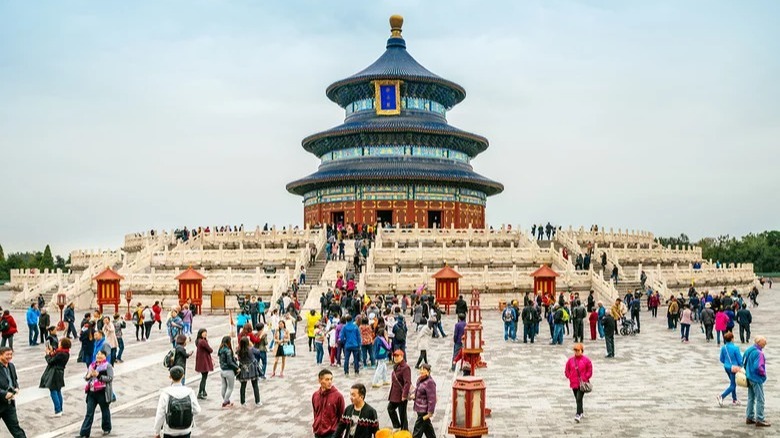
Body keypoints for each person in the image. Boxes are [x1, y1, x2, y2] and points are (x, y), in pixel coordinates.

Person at [153, 365, 202, 438]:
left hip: (169, 430)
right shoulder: (189, 392)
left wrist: (157, 432)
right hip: (186, 429)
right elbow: (197, 410)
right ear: (183, 376)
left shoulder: (165, 393)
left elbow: (160, 415)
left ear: (170, 377)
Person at [78, 349, 114, 437]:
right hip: (91, 392)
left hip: (102, 391)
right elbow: (87, 377)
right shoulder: (92, 366)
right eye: (97, 354)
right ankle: (84, 433)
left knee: (105, 411)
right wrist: (88, 376)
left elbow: (110, 378)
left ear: (105, 356)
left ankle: (106, 428)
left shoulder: (107, 366)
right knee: (89, 413)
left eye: (101, 354)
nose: (98, 356)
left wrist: (98, 375)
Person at [40, 337, 71, 416]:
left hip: (55, 373)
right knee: (58, 390)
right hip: (59, 372)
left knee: (53, 391)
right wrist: (51, 351)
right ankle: (60, 409)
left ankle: (58, 410)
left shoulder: (61, 354)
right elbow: (55, 355)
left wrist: (47, 355)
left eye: (60, 343)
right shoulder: (65, 353)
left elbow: (50, 361)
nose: (58, 344)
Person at [744, 336, 769, 427]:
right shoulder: (759, 353)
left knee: (751, 398)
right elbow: (758, 367)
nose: (765, 343)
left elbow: (744, 360)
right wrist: (763, 374)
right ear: (759, 342)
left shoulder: (750, 349)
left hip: (749, 376)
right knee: (760, 399)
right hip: (756, 378)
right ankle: (760, 419)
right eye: (764, 342)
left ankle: (749, 417)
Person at [0, 347, 26, 437]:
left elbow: (14, 380)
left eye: (11, 354)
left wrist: (16, 387)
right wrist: (4, 394)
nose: (10, 356)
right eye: (7, 354)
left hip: (9, 404)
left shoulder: (11, 366)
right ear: (0, 355)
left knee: (16, 428)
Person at [564, 343, 593, 423]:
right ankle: (581, 411)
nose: (576, 352)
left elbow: (589, 371)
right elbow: (567, 369)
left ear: (582, 351)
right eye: (575, 350)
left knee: (579, 398)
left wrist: (584, 378)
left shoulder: (586, 360)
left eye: (578, 350)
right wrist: (569, 376)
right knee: (577, 398)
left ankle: (578, 414)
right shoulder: (570, 360)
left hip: (582, 383)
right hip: (573, 383)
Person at [312, 369, 345, 438]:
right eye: (327, 379)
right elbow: (315, 413)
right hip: (317, 432)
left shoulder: (338, 396)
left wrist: (339, 434)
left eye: (331, 379)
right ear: (320, 380)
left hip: (332, 433)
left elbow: (341, 417)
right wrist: (315, 425)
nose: (330, 382)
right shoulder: (315, 395)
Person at [410, 363, 437, 438]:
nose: (421, 371)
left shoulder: (430, 382)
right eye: (420, 369)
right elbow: (419, 390)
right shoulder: (421, 379)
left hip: (424, 410)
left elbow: (432, 399)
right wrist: (414, 395)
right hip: (419, 408)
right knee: (428, 429)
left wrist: (430, 412)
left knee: (417, 429)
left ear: (428, 371)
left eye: (424, 369)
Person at [717, 332, 743, 407]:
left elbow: (721, 359)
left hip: (726, 367)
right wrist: (741, 366)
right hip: (734, 367)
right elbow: (740, 359)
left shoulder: (723, 348)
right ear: (732, 339)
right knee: (733, 385)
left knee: (733, 382)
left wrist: (726, 363)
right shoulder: (735, 348)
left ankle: (734, 399)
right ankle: (722, 396)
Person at [388, 349, 412, 431]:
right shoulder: (397, 365)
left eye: (397, 356)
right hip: (395, 393)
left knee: (402, 414)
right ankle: (397, 426)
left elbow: (407, 382)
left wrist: (404, 395)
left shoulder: (405, 367)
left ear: (402, 356)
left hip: (401, 394)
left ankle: (404, 430)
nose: (395, 358)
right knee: (390, 408)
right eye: (394, 356)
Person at [236, 337, 261, 406]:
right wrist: (251, 345)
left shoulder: (239, 350)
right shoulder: (251, 349)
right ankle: (257, 401)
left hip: (243, 368)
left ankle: (242, 402)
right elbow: (258, 352)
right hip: (252, 368)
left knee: (243, 385)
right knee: (255, 385)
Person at [217, 336, 239, 408]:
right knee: (230, 387)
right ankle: (225, 402)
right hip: (229, 371)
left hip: (222, 370)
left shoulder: (221, 349)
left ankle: (226, 400)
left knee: (224, 386)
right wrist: (237, 367)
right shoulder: (228, 350)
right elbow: (230, 362)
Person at [194, 329, 213, 400]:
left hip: (201, 361)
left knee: (204, 376)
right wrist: (206, 341)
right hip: (204, 361)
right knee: (204, 378)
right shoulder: (202, 342)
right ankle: (200, 392)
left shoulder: (199, 341)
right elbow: (210, 350)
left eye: (206, 333)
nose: (205, 334)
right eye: (204, 333)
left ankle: (203, 391)